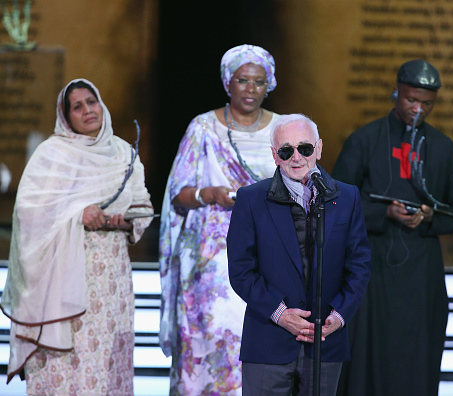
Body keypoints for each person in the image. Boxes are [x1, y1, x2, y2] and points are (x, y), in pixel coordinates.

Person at [0, 78, 154, 394]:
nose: (87, 110)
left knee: (106, 369)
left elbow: (144, 206)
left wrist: (124, 221)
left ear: (102, 105)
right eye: (77, 106)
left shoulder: (124, 153)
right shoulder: (52, 154)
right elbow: (29, 213)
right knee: (65, 368)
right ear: (66, 116)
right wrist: (78, 214)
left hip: (112, 285)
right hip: (63, 280)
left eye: (91, 101)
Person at [333, 59, 453, 396]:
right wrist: (385, 212)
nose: (418, 109)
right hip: (372, 266)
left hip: (422, 268)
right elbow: (335, 204)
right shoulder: (365, 140)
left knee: (417, 353)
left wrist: (427, 217)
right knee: (369, 350)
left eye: (427, 103)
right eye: (411, 100)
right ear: (396, 93)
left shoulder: (442, 147)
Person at [159, 44, 280, 395]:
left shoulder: (284, 129)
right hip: (211, 259)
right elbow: (178, 194)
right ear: (228, 82)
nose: (250, 89)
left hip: (267, 253)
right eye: (242, 80)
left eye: (259, 81)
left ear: (269, 84)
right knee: (212, 336)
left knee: (257, 337)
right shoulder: (203, 128)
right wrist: (209, 194)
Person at [226, 114, 371, 395]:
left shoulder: (347, 196)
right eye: (286, 150)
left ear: (318, 148)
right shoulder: (251, 199)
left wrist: (338, 316)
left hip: (326, 341)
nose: (296, 157)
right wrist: (280, 314)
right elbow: (241, 271)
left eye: (304, 148)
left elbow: (360, 266)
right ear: (274, 155)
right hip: (268, 340)